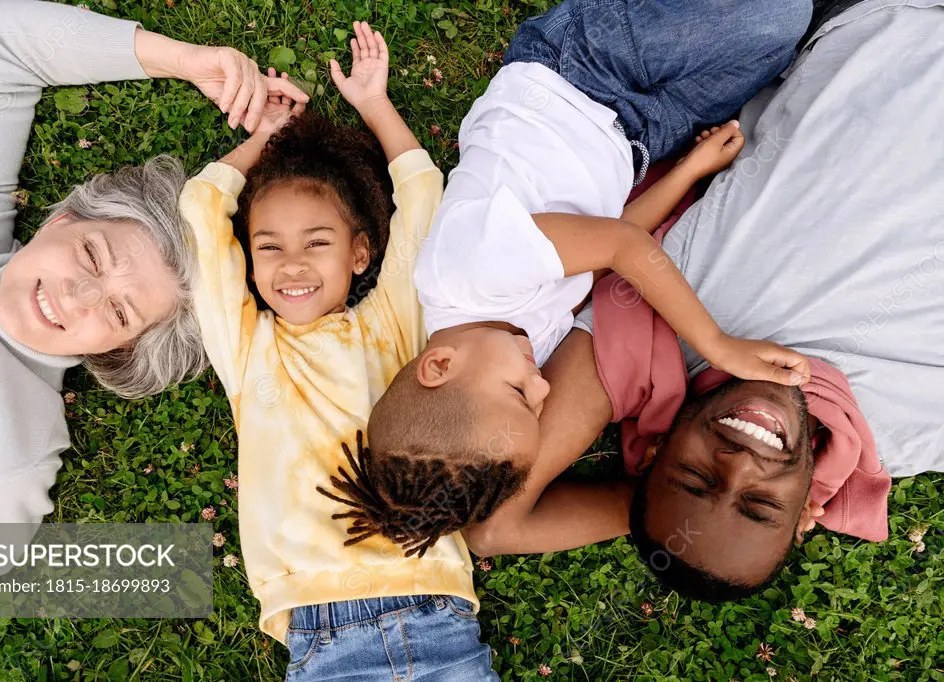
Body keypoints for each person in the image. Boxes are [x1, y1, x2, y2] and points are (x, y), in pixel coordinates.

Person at [466, 0, 944, 600]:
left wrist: (656, 508)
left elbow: (491, 525)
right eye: (759, 505)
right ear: (802, 516)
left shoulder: (661, 343)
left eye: (695, 477)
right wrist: (692, 504)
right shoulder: (907, 433)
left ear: (659, 451)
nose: (740, 463)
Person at [322, 0, 815, 556]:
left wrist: (716, 344)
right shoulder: (511, 345)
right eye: (538, 407)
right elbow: (609, 237)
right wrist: (687, 173)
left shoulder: (470, 275)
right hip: (640, 135)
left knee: (776, 16)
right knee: (780, 52)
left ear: (440, 365)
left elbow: (621, 246)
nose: (542, 387)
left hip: (583, 71)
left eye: (518, 393)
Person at [0, 0, 307, 644]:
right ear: (60, 221)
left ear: (118, 352)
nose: (77, 296)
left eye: (119, 313)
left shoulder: (11, 457)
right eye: (92, 254)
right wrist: (188, 63)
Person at [182, 22, 496, 680]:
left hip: (436, 611)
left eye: (316, 242)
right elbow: (203, 206)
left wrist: (375, 107)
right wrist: (269, 135)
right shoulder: (249, 349)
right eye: (269, 246)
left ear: (360, 254)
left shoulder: (391, 326)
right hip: (320, 635)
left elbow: (420, 201)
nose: (291, 263)